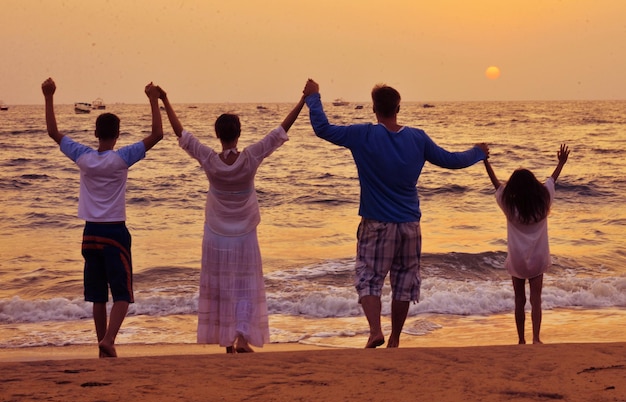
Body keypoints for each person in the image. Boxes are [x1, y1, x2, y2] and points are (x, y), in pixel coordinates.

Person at [302, 79, 489, 348]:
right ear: (398, 108)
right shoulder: (417, 138)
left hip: (377, 222)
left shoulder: (363, 134)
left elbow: (322, 128)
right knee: (404, 282)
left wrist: (314, 97)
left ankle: (375, 330)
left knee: (368, 278)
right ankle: (395, 340)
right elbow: (451, 161)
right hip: (410, 224)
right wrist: (477, 153)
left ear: (374, 109)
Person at [158, 86, 305, 353]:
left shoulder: (209, 159)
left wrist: (165, 100)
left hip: (216, 233)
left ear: (218, 135)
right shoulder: (250, 158)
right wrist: (303, 100)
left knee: (222, 286)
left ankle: (228, 338)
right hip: (245, 233)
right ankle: (240, 339)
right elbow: (280, 132)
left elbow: (182, 134)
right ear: (238, 134)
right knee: (245, 286)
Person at [42, 78, 164, 357]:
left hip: (90, 234)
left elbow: (53, 132)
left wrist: (48, 96)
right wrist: (153, 99)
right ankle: (109, 340)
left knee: (98, 296)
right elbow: (157, 134)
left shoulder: (84, 157)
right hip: (114, 233)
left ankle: (102, 345)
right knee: (122, 295)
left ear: (95, 132)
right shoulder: (121, 158)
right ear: (118, 134)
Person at [483, 144, 569, 344]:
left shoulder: (509, 206)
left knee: (519, 301)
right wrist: (561, 163)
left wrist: (485, 161)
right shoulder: (543, 201)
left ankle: (521, 340)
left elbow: (496, 184)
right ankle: (536, 338)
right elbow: (552, 180)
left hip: (518, 260)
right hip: (538, 258)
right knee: (536, 300)